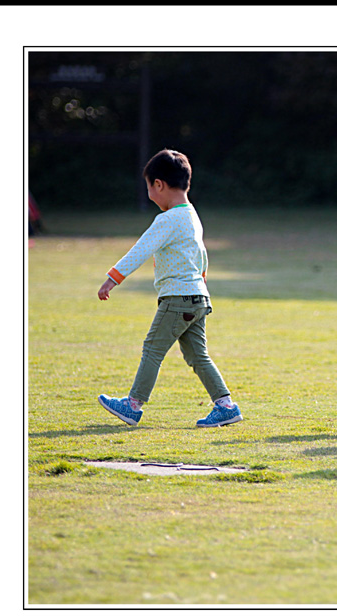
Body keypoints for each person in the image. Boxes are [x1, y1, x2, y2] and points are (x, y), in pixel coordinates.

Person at [96, 149, 241, 428]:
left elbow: (141, 249)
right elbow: (201, 252)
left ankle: (133, 405)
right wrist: (202, 280)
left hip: (178, 298)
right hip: (197, 296)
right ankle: (226, 406)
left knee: (152, 348)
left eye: (149, 186)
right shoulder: (191, 215)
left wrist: (113, 278)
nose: (149, 193)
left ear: (159, 184)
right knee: (198, 355)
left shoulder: (167, 219)